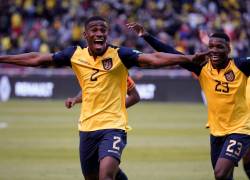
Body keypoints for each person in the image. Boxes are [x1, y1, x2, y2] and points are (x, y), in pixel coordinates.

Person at [0, 16, 202, 180]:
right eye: (94, 30)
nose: (99, 34)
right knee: (94, 177)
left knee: (105, 175)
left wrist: (188, 58)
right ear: (85, 35)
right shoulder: (75, 55)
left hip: (113, 127)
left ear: (107, 34)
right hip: (87, 128)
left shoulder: (120, 55)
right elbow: (37, 59)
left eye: (102, 30)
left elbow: (154, 59)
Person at [127, 22, 250, 180]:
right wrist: (145, 35)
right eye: (211, 46)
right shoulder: (202, 67)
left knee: (220, 173)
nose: (214, 50)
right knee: (224, 177)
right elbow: (171, 53)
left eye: (219, 47)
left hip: (239, 129)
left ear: (228, 49)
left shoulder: (241, 65)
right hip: (216, 131)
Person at [65, 76, 140, 109]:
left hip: (112, 124)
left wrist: (114, 109)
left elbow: (135, 96)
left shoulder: (120, 67)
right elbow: (89, 90)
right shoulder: (89, 66)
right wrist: (75, 99)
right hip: (89, 124)